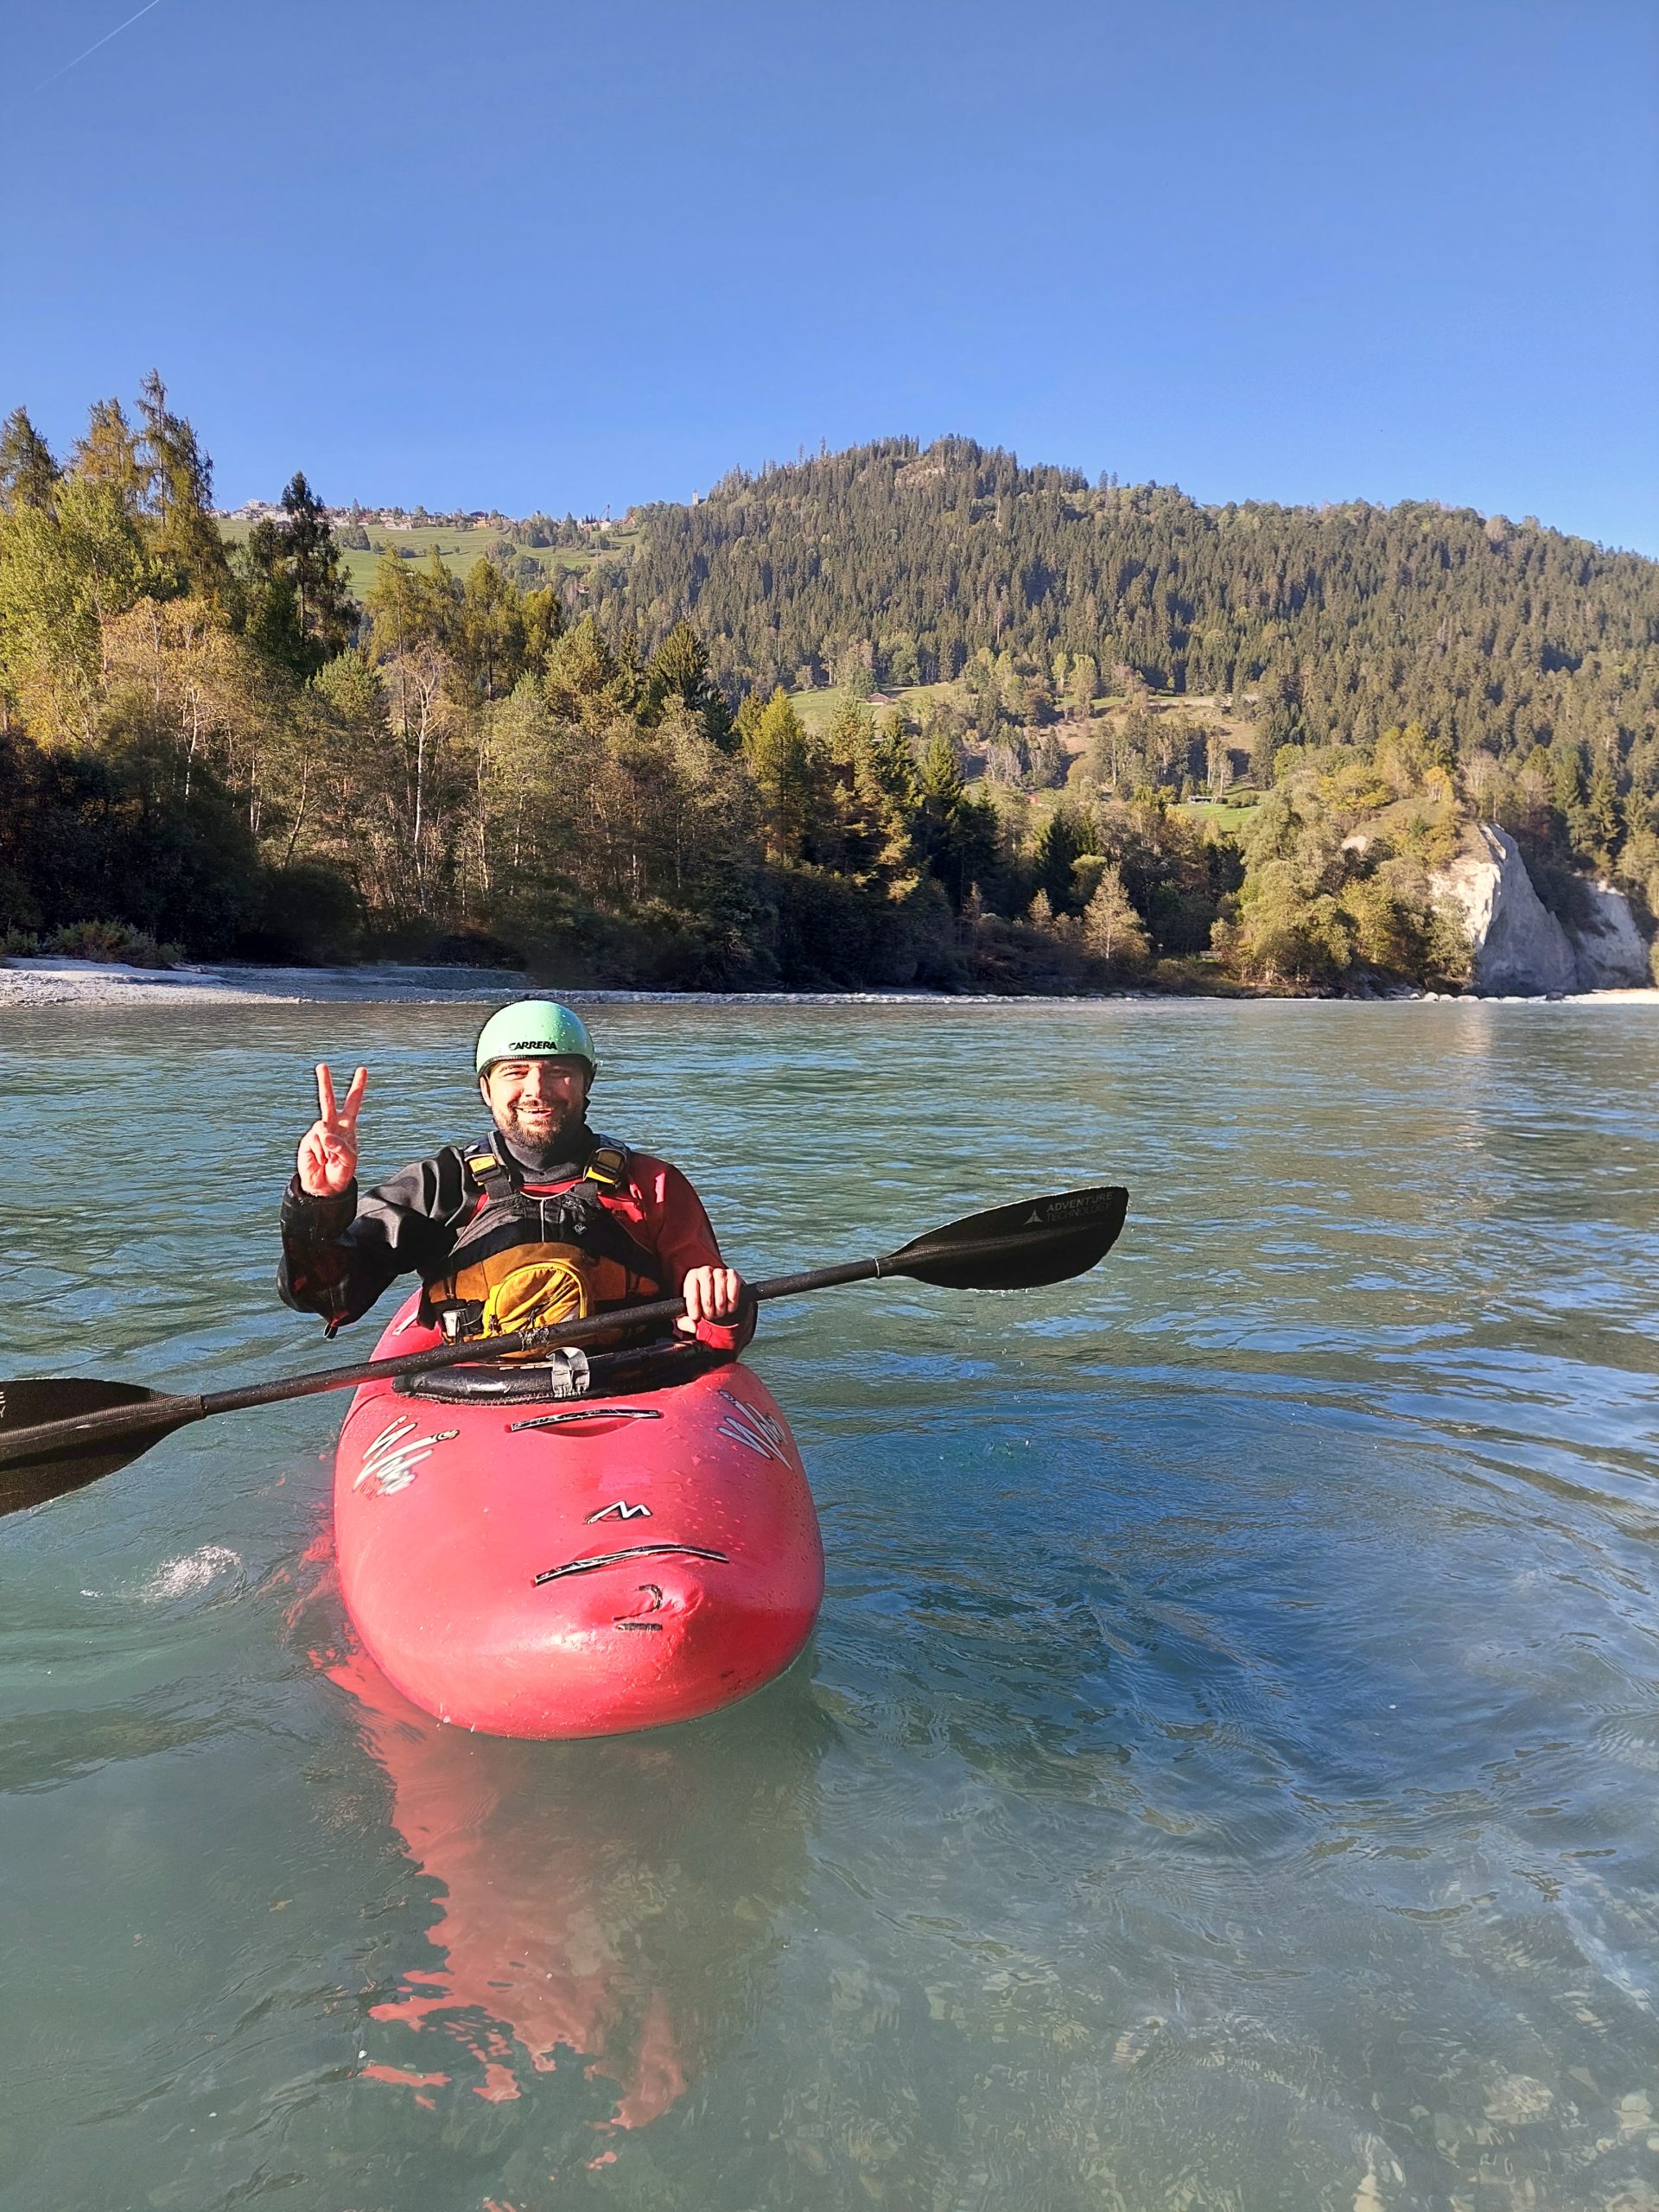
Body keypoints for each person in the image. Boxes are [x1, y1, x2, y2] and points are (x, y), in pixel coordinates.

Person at [278, 1000, 752, 1357]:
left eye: (559, 1072)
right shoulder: (440, 1184)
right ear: (487, 1089)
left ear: (586, 1084)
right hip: (474, 1396)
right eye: (515, 1073)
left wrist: (723, 1306)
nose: (537, 1090)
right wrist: (320, 1202)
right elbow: (328, 1297)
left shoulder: (654, 1185)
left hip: (629, 1382)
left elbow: (716, 1329)